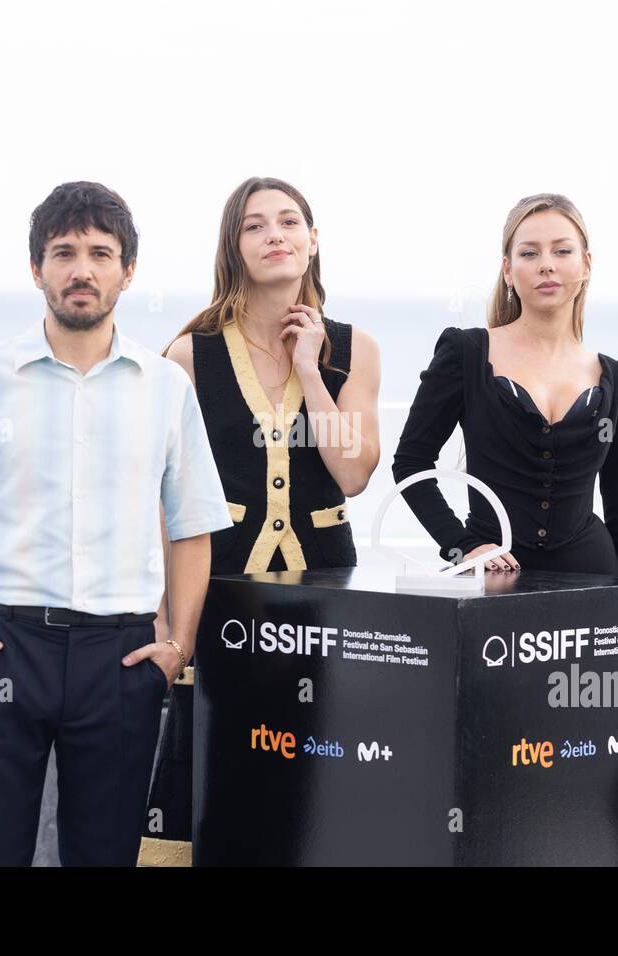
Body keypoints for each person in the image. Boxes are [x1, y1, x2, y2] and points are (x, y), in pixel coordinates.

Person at [0, 181, 231, 866]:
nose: (82, 269)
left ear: (127, 271)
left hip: (122, 658)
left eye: (101, 254)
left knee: (104, 858)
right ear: (37, 269)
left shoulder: (166, 387)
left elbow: (192, 526)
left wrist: (179, 646)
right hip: (2, 649)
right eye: (64, 253)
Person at [143, 176, 382, 863]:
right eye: (255, 225)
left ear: (312, 242)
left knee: (310, 772)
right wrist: (168, 615)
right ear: (235, 247)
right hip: (219, 597)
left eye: (289, 222)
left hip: (322, 602)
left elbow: (353, 474)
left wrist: (311, 373)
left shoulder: (353, 348)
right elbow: (164, 497)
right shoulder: (191, 354)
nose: (274, 234)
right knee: (207, 772)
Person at [392, 193, 618, 578]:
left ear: (586, 264)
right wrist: (460, 545)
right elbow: (411, 463)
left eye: (562, 251)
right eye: (529, 254)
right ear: (508, 270)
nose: (546, 265)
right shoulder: (466, 353)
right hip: (490, 582)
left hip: (593, 580)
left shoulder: (614, 377)